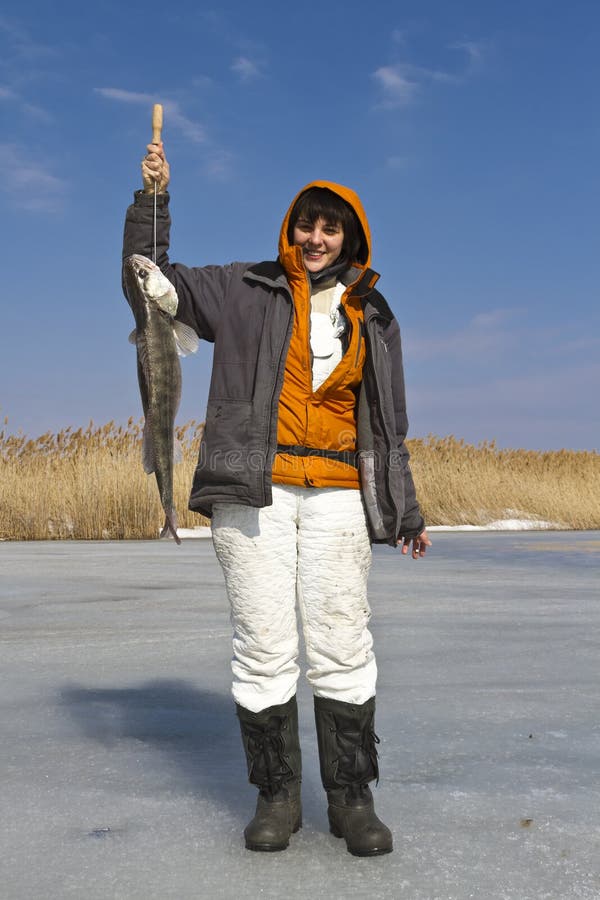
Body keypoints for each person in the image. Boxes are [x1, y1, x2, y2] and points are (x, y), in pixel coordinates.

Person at [122, 141, 432, 858]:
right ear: (289, 229)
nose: (316, 239)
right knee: (263, 646)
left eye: (330, 228)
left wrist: (405, 507)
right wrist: (152, 203)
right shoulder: (242, 287)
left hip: (340, 498)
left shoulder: (374, 314)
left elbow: (389, 423)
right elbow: (149, 282)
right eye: (306, 224)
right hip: (251, 493)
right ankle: (277, 797)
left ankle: (353, 800)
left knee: (342, 643)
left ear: (349, 237)